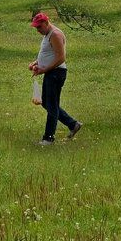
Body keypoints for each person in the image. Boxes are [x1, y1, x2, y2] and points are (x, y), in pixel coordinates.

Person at [29, 11, 82, 145]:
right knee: (47, 103)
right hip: (51, 72)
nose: (38, 30)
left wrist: (44, 69)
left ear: (46, 22)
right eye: (36, 28)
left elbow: (61, 57)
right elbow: (48, 53)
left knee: (51, 106)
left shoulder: (55, 34)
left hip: (56, 73)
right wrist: (36, 63)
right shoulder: (47, 34)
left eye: (39, 27)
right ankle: (73, 124)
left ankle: (48, 138)